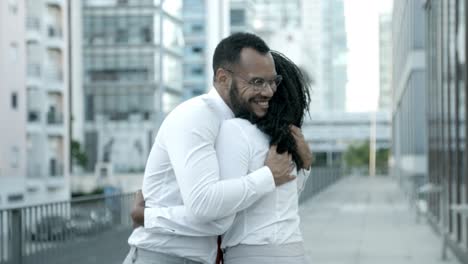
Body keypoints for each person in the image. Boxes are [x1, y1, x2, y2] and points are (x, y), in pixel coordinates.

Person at [123, 32, 312, 264]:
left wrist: (300, 165)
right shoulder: (196, 116)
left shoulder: (242, 129)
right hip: (165, 255)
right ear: (223, 78)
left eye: (273, 82)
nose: (269, 91)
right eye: (257, 82)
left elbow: (270, 202)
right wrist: (268, 176)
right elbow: (209, 210)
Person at [216, 50, 311, 264]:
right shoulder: (288, 137)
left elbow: (222, 208)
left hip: (252, 253)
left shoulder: (236, 130)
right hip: (294, 251)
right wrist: (305, 166)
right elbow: (287, 197)